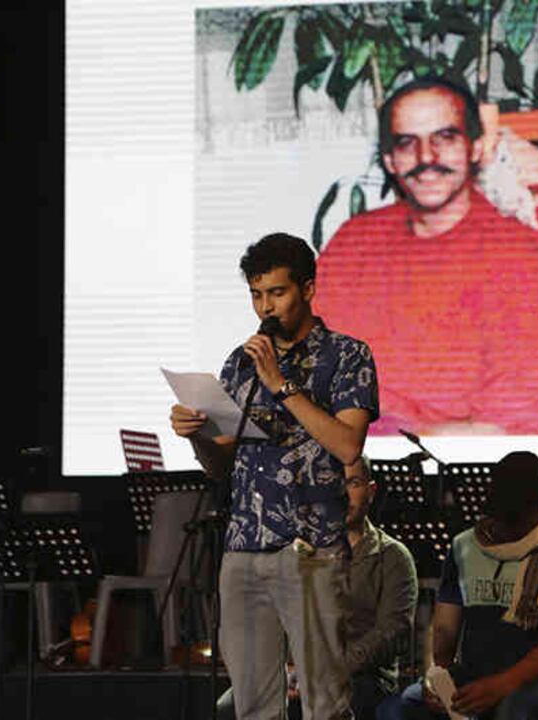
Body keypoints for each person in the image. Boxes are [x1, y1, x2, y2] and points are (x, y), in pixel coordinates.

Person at [170, 232, 379, 720]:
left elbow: (348, 444)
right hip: (244, 545)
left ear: (307, 288)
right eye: (256, 295)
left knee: (324, 700)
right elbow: (221, 464)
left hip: (311, 548)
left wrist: (281, 385)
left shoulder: (347, 356)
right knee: (253, 704)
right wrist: (196, 436)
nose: (266, 307)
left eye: (277, 293)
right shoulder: (240, 363)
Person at [313, 76, 538, 437]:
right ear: (390, 160)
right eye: (407, 144)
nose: (427, 159)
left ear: (476, 147)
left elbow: (505, 427)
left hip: (431, 463)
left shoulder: (518, 254)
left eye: (445, 138)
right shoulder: (354, 242)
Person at [377, 451, 538, 720]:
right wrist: (437, 677)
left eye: (514, 519)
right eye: (499, 516)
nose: (503, 527)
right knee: (397, 710)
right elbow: (444, 628)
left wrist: (500, 685)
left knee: (514, 711)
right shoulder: (465, 546)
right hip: (477, 673)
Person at [217, 456, 420, 720]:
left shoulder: (391, 555)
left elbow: (392, 630)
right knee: (231, 705)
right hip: (295, 671)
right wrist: (293, 671)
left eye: (353, 483)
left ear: (371, 491)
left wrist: (326, 668)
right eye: (334, 483)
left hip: (360, 676)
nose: (343, 493)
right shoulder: (295, 552)